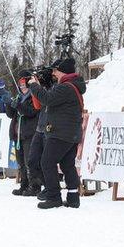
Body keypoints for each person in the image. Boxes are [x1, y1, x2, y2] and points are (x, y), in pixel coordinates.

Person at [30, 58, 85, 209]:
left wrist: (34, 86)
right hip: (71, 133)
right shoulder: (72, 86)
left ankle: (54, 197)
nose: (53, 73)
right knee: (68, 165)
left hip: (61, 133)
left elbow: (47, 99)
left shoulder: (66, 88)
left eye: (55, 70)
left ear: (62, 71)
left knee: (47, 162)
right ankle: (73, 197)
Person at [7, 71, 41, 196]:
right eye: (21, 86)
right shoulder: (18, 97)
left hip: (29, 133)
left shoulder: (34, 96)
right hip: (18, 134)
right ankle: (24, 184)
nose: (22, 88)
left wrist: (19, 106)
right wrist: (9, 104)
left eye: (24, 85)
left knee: (29, 162)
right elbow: (11, 114)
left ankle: (35, 185)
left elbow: (32, 112)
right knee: (20, 162)